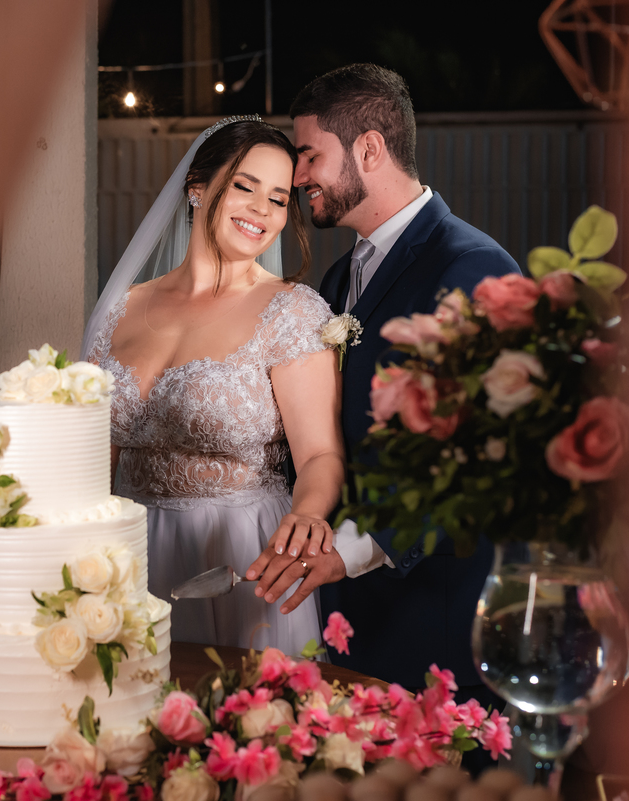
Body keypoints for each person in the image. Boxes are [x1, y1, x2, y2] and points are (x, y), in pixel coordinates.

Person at [244, 64, 521, 746]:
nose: (299, 173)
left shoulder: (474, 269)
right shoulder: (341, 276)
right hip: (344, 619)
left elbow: (473, 462)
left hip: (431, 626)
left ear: (369, 149)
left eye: (310, 154)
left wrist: (347, 551)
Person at [82, 117, 344, 654]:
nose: (260, 211)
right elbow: (92, 451)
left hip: (237, 553)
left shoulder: (290, 312)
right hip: (126, 551)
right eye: (245, 186)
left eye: (277, 198)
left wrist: (309, 514)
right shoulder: (120, 308)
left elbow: (320, 453)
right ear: (197, 188)